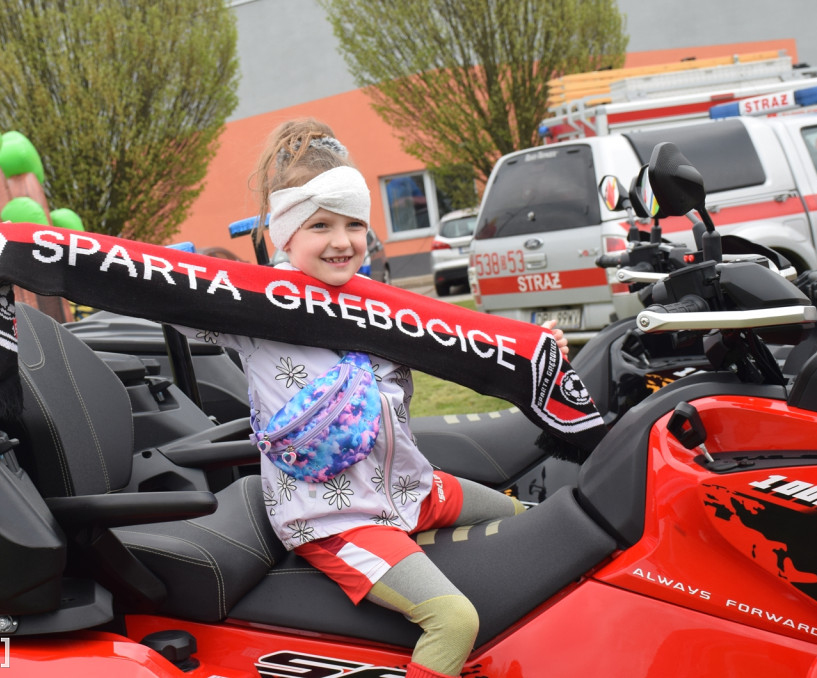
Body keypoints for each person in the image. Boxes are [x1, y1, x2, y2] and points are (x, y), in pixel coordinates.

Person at [179, 119, 567, 678]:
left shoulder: (382, 309)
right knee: (454, 620)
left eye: (354, 224)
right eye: (320, 225)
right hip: (335, 519)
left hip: (414, 489)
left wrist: (534, 349)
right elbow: (173, 306)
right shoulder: (253, 309)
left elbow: (471, 346)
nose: (342, 241)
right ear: (286, 234)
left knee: (538, 522)